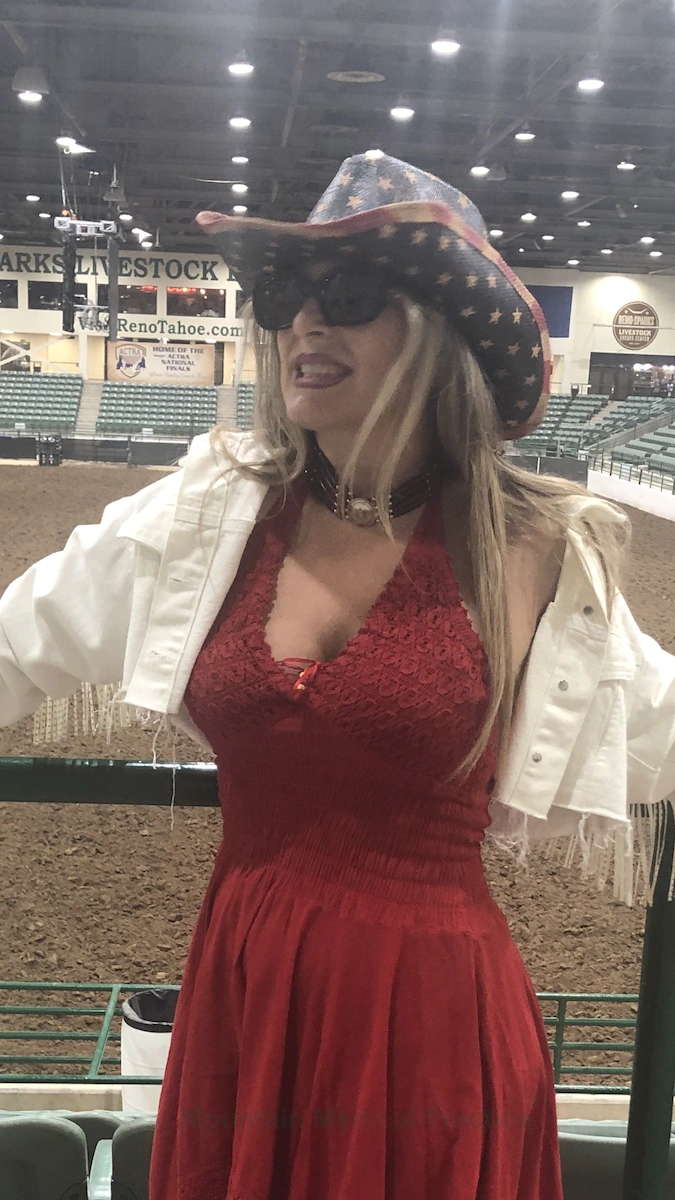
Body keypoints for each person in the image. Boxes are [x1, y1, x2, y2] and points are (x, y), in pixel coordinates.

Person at [1, 153, 674, 1200]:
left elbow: (663, 729)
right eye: (282, 298)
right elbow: (16, 641)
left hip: (432, 1020)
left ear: (440, 336)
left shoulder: (539, 550)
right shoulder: (208, 514)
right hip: (245, 989)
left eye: (349, 297)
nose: (303, 326)